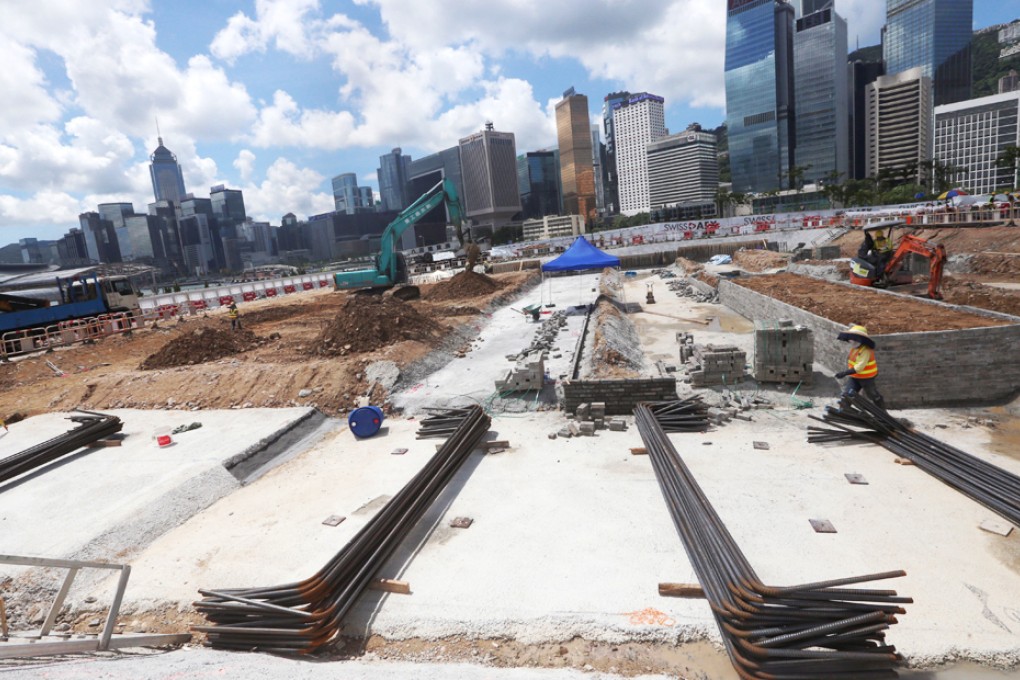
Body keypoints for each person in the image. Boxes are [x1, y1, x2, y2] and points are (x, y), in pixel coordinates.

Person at [834, 324, 884, 409]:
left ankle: (883, 412)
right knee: (847, 394)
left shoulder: (866, 351)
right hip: (855, 376)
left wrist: (844, 373)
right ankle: (843, 411)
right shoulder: (854, 349)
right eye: (851, 338)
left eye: (854, 339)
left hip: (867, 377)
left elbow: (859, 367)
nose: (851, 341)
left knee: (873, 395)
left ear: (861, 340)